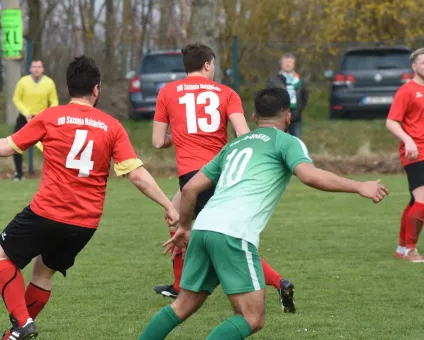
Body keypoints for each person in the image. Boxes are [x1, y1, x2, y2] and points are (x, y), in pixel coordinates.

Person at [139, 87, 388, 340]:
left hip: (203, 228)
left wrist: (183, 226)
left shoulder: (233, 145)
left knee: (181, 307)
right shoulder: (287, 142)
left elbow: (191, 188)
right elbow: (310, 176)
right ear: (288, 116)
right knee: (252, 318)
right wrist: (359, 186)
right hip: (233, 234)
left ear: (254, 117)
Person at [0, 55, 179, 340]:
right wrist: (168, 204)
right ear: (96, 89)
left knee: (2, 254)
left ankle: (22, 322)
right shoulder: (112, 126)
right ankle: (16, 333)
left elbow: (5, 148)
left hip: (46, 212)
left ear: (68, 88)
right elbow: (136, 174)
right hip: (84, 224)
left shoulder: (50, 117)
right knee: (43, 272)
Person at [152, 43, 296, 313]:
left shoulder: (167, 92)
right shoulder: (226, 93)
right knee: (174, 215)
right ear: (207, 64)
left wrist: (180, 137)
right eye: (214, 64)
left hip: (193, 176)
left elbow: (158, 141)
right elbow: (244, 136)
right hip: (222, 170)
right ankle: (179, 284)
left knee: (227, 238)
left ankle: (278, 282)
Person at [387, 47, 424, 262]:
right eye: (423, 63)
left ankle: (402, 249)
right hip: (416, 152)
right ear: (414, 66)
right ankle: (411, 250)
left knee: (415, 202)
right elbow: (391, 121)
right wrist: (408, 140)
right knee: (421, 202)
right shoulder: (407, 91)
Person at [11, 60, 59, 180]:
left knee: (52, 146)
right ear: (30, 69)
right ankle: (18, 173)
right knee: (15, 145)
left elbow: (54, 101)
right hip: (25, 118)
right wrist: (26, 113)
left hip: (42, 119)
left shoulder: (49, 83)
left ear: (43, 69)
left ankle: (54, 174)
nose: (36, 69)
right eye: (34, 67)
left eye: (39, 67)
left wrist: (49, 114)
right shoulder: (23, 82)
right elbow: (16, 99)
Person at [266, 53, 308, 138]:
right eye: (285, 62)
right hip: (278, 116)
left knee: (296, 140)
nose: (288, 64)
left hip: (295, 116)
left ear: (294, 65)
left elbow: (304, 97)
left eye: (290, 62)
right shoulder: (274, 80)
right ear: (281, 64)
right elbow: (269, 97)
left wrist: (299, 109)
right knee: (278, 140)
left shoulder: (300, 80)